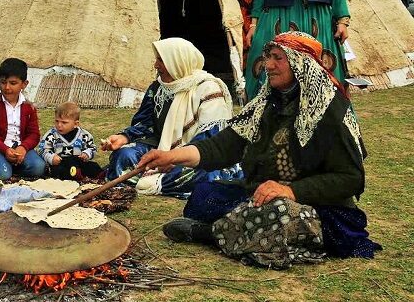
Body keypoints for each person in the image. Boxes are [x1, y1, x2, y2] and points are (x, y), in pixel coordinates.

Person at [141, 32, 381, 269]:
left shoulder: (330, 112)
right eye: (268, 57)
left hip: (320, 209)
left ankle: (208, 234)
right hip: (263, 194)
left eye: (278, 58)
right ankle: (239, 230)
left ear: (301, 63)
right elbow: (224, 145)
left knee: (277, 213)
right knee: (205, 194)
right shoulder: (265, 104)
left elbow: (351, 178)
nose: (268, 65)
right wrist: (172, 156)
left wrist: (290, 191)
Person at [101, 38, 241, 196]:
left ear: (177, 62)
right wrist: (124, 137)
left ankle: (148, 181)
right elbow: (146, 123)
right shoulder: (158, 88)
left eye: (161, 60)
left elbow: (212, 136)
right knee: (124, 155)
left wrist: (175, 158)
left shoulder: (208, 89)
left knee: (206, 173)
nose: (156, 65)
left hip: (195, 154)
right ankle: (152, 180)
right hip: (161, 149)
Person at [0, 58, 46, 180]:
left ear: (24, 84)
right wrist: (5, 150)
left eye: (13, 83)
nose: (7, 87)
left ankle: (10, 167)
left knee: (38, 167)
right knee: (2, 174)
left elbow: (34, 134)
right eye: (3, 82)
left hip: (19, 149)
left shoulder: (29, 107)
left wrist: (23, 147)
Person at [37, 102, 102, 180]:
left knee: (93, 166)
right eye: (57, 121)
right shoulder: (51, 135)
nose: (59, 125)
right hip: (61, 163)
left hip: (79, 162)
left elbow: (93, 148)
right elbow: (42, 149)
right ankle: (76, 175)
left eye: (64, 122)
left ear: (75, 124)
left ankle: (101, 175)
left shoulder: (84, 135)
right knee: (59, 170)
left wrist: (87, 153)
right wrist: (51, 157)